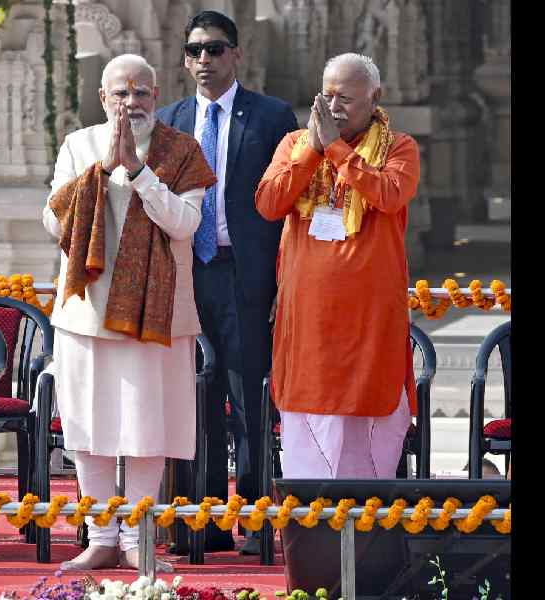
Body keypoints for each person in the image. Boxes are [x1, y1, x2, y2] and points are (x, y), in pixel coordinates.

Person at [42, 53, 216, 572]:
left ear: (156, 96)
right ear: (103, 99)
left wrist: (139, 172)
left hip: (157, 314)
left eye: (141, 92)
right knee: (89, 428)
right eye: (121, 93)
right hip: (88, 310)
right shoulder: (78, 146)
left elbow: (184, 224)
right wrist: (101, 170)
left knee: (148, 427)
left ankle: (140, 542)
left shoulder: (182, 151)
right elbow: (54, 225)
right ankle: (99, 537)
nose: (131, 102)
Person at [157, 10, 299, 555]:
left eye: (214, 50)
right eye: (194, 51)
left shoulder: (268, 116)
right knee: (196, 398)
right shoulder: (170, 120)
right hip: (187, 275)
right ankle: (205, 520)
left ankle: (257, 519)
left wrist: (284, 280)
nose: (203, 61)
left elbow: (290, 205)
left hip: (245, 273)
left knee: (249, 399)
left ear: (236, 54)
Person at [255, 53, 421, 480]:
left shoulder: (398, 148)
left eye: (345, 98)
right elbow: (269, 204)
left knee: (368, 433)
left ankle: (366, 543)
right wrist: (313, 150)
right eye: (327, 96)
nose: (334, 107)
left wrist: (338, 150)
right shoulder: (294, 145)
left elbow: (388, 195)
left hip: (369, 321)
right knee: (308, 427)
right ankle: (312, 542)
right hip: (308, 324)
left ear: (375, 98)